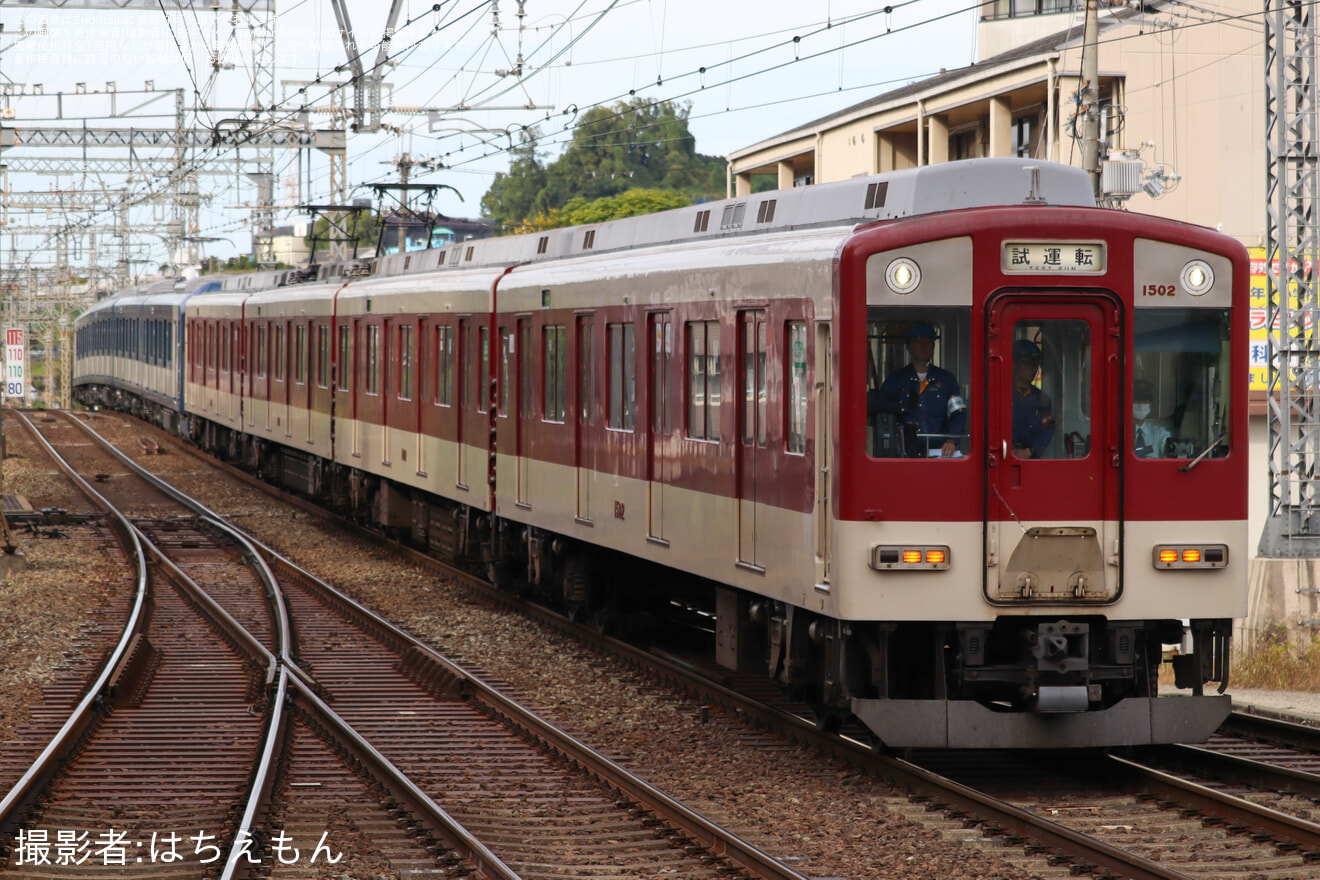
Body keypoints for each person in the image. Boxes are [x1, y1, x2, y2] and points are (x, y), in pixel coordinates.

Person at [869, 322, 967, 457]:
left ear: (933, 347)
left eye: (928, 342)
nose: (923, 346)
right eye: (918, 342)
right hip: (903, 453)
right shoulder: (895, 380)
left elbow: (958, 414)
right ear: (909, 346)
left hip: (938, 453)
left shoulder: (946, 380)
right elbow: (881, 410)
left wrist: (952, 440)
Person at [1011, 339, 1054, 459]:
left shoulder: (1042, 398)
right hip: (1005, 456)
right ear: (1015, 364)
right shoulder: (1001, 394)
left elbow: (1048, 430)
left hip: (1031, 457)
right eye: (1027, 364)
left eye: (1035, 365)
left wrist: (1030, 451)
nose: (1033, 369)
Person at [1132, 378, 1171, 458]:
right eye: (1137, 400)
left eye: (1145, 401)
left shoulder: (1160, 433)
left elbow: (1169, 449)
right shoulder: (1121, 433)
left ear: (1150, 403)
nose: (1141, 404)